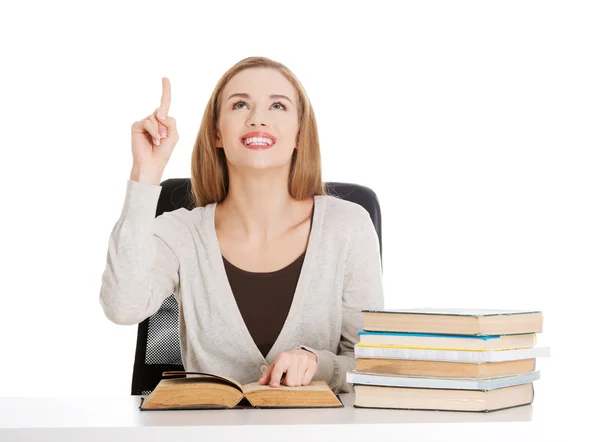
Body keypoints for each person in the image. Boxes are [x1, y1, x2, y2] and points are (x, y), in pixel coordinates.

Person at [100, 56, 384, 393]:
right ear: (218, 134)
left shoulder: (347, 227)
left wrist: (317, 364)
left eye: (277, 106)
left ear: (299, 135)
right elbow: (122, 305)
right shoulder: (181, 233)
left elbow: (370, 364)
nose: (257, 119)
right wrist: (145, 174)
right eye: (239, 105)